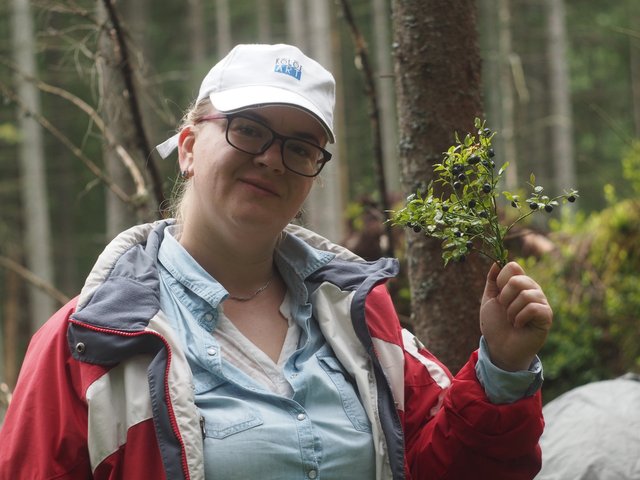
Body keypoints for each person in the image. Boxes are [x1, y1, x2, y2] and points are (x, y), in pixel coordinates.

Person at [0, 43, 552, 480]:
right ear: (189, 146)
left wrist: (501, 367)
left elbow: (447, 469)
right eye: (248, 129)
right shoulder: (88, 343)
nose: (271, 158)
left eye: (301, 147)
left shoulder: (361, 321)